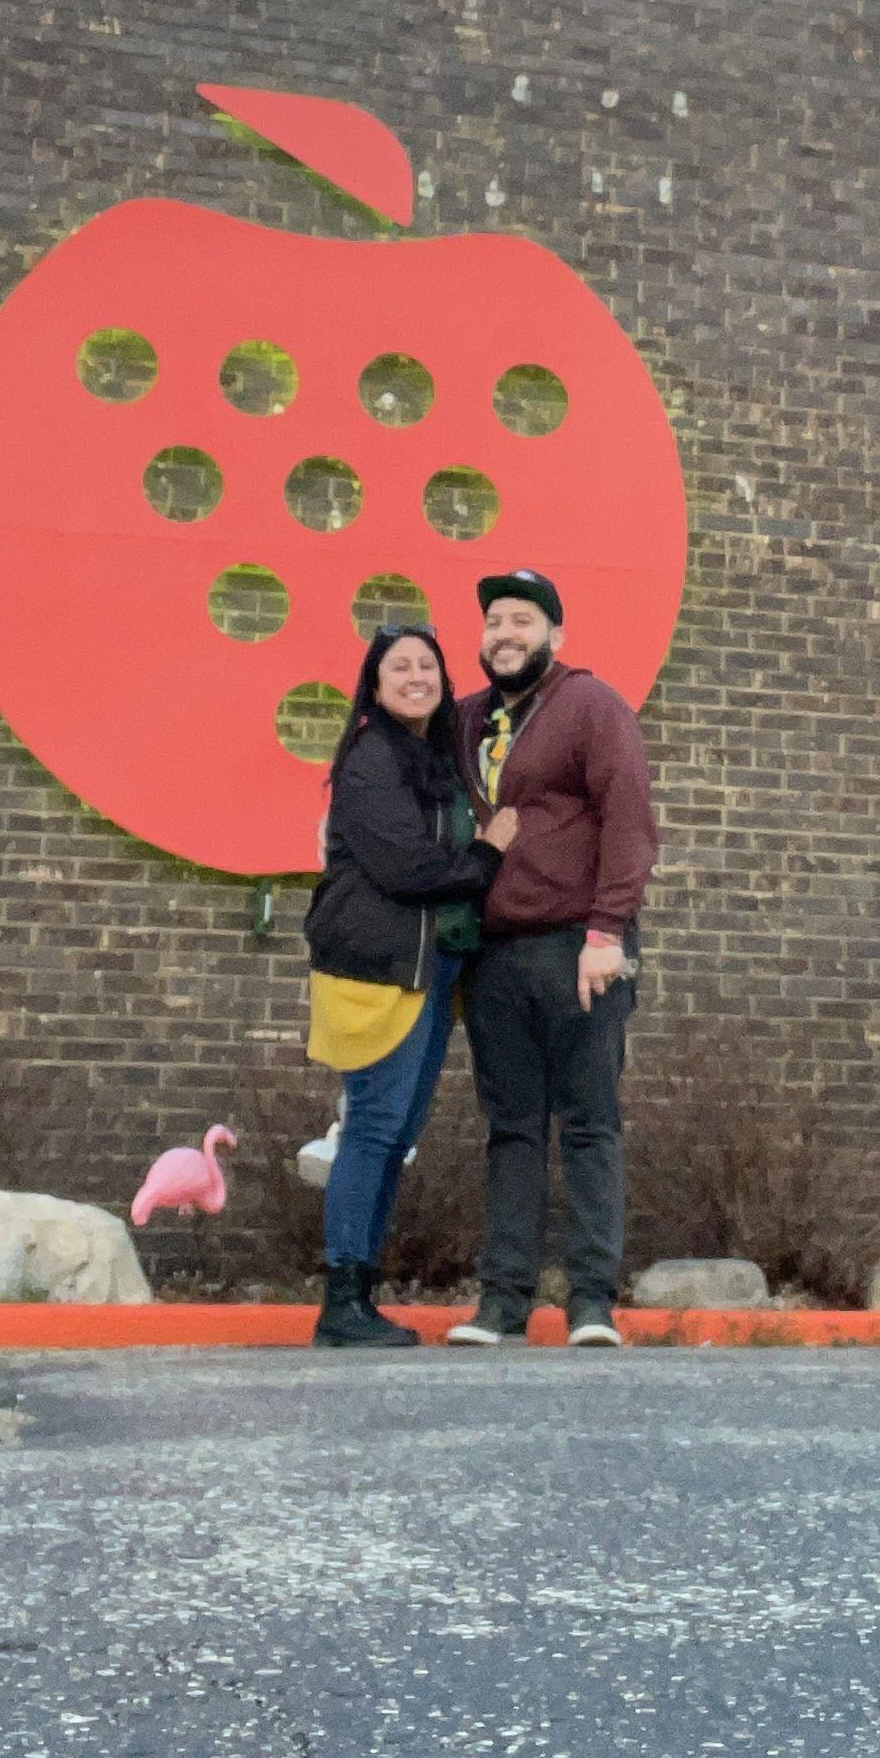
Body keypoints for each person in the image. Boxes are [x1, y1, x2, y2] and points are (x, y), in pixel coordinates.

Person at [447, 568, 660, 1349]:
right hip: (496, 958)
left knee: (589, 1127)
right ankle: (501, 1303)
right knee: (510, 1130)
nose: (505, 634)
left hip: (580, 949)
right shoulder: (467, 721)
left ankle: (593, 1303)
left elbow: (629, 819)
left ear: (555, 636)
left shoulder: (589, 706)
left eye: (522, 621)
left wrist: (606, 932)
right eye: (494, 621)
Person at [300, 626, 517, 1350]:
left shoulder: (435, 758)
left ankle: (359, 1295)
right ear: (375, 681)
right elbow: (408, 870)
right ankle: (341, 1301)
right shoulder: (371, 758)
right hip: (377, 975)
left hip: (432, 972)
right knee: (370, 1128)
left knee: (394, 1137)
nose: (417, 676)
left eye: (428, 665)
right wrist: (489, 853)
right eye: (401, 667)